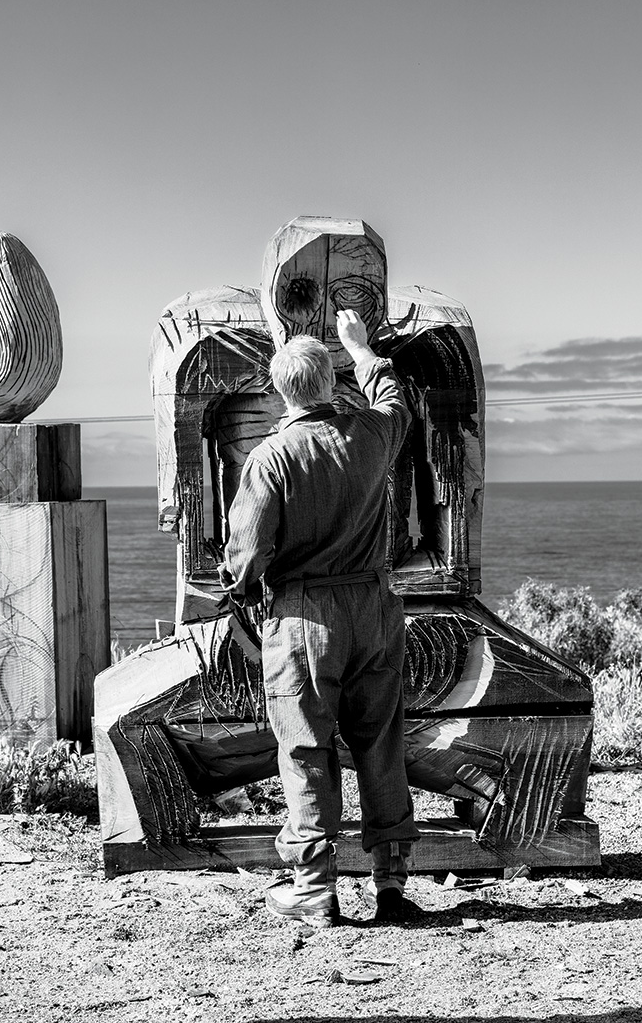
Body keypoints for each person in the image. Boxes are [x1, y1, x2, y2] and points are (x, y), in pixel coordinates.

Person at [220, 308, 420, 927]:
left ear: (281, 390)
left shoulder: (271, 458)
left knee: (307, 746)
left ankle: (313, 887)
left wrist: (237, 589)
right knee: (381, 741)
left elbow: (248, 552)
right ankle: (392, 881)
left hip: (305, 615)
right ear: (332, 383)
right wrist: (361, 349)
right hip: (374, 606)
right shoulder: (371, 435)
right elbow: (394, 399)